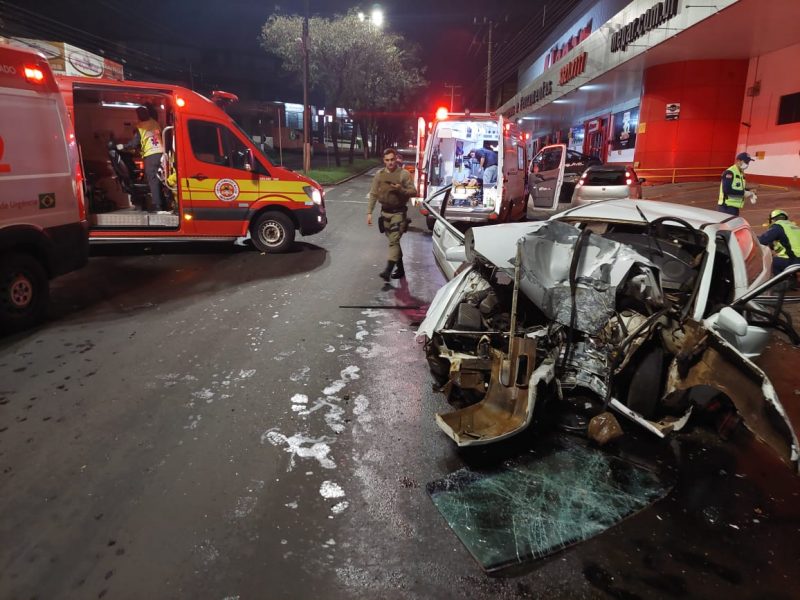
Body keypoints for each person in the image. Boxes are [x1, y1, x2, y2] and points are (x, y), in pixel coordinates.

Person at [367, 147, 418, 281]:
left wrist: (401, 189)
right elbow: (373, 193)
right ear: (384, 161)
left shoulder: (404, 174)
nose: (390, 162)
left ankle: (388, 270)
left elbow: (414, 192)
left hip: (399, 213)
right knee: (393, 241)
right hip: (385, 213)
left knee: (394, 240)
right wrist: (369, 212)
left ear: (396, 159)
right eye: (387, 160)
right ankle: (400, 269)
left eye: (392, 159)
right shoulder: (379, 175)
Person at [119, 106, 167, 213]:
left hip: (151, 154)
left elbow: (135, 143)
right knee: (159, 179)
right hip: (160, 153)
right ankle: (163, 203)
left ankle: (157, 206)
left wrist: (123, 146)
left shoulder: (140, 126)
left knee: (152, 179)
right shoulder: (154, 122)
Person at [758, 209, 800, 276]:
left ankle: (783, 283)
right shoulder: (794, 226)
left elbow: (762, 241)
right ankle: (792, 277)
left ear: (772, 220)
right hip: (796, 258)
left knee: (771, 262)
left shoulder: (778, 226)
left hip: (795, 261)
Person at [718, 152, 756, 216]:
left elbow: (738, 187)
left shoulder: (741, 173)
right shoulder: (730, 172)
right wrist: (744, 193)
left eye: (748, 162)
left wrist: (749, 191)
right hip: (726, 207)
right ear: (738, 161)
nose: (747, 164)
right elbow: (727, 190)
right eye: (746, 161)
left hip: (734, 207)